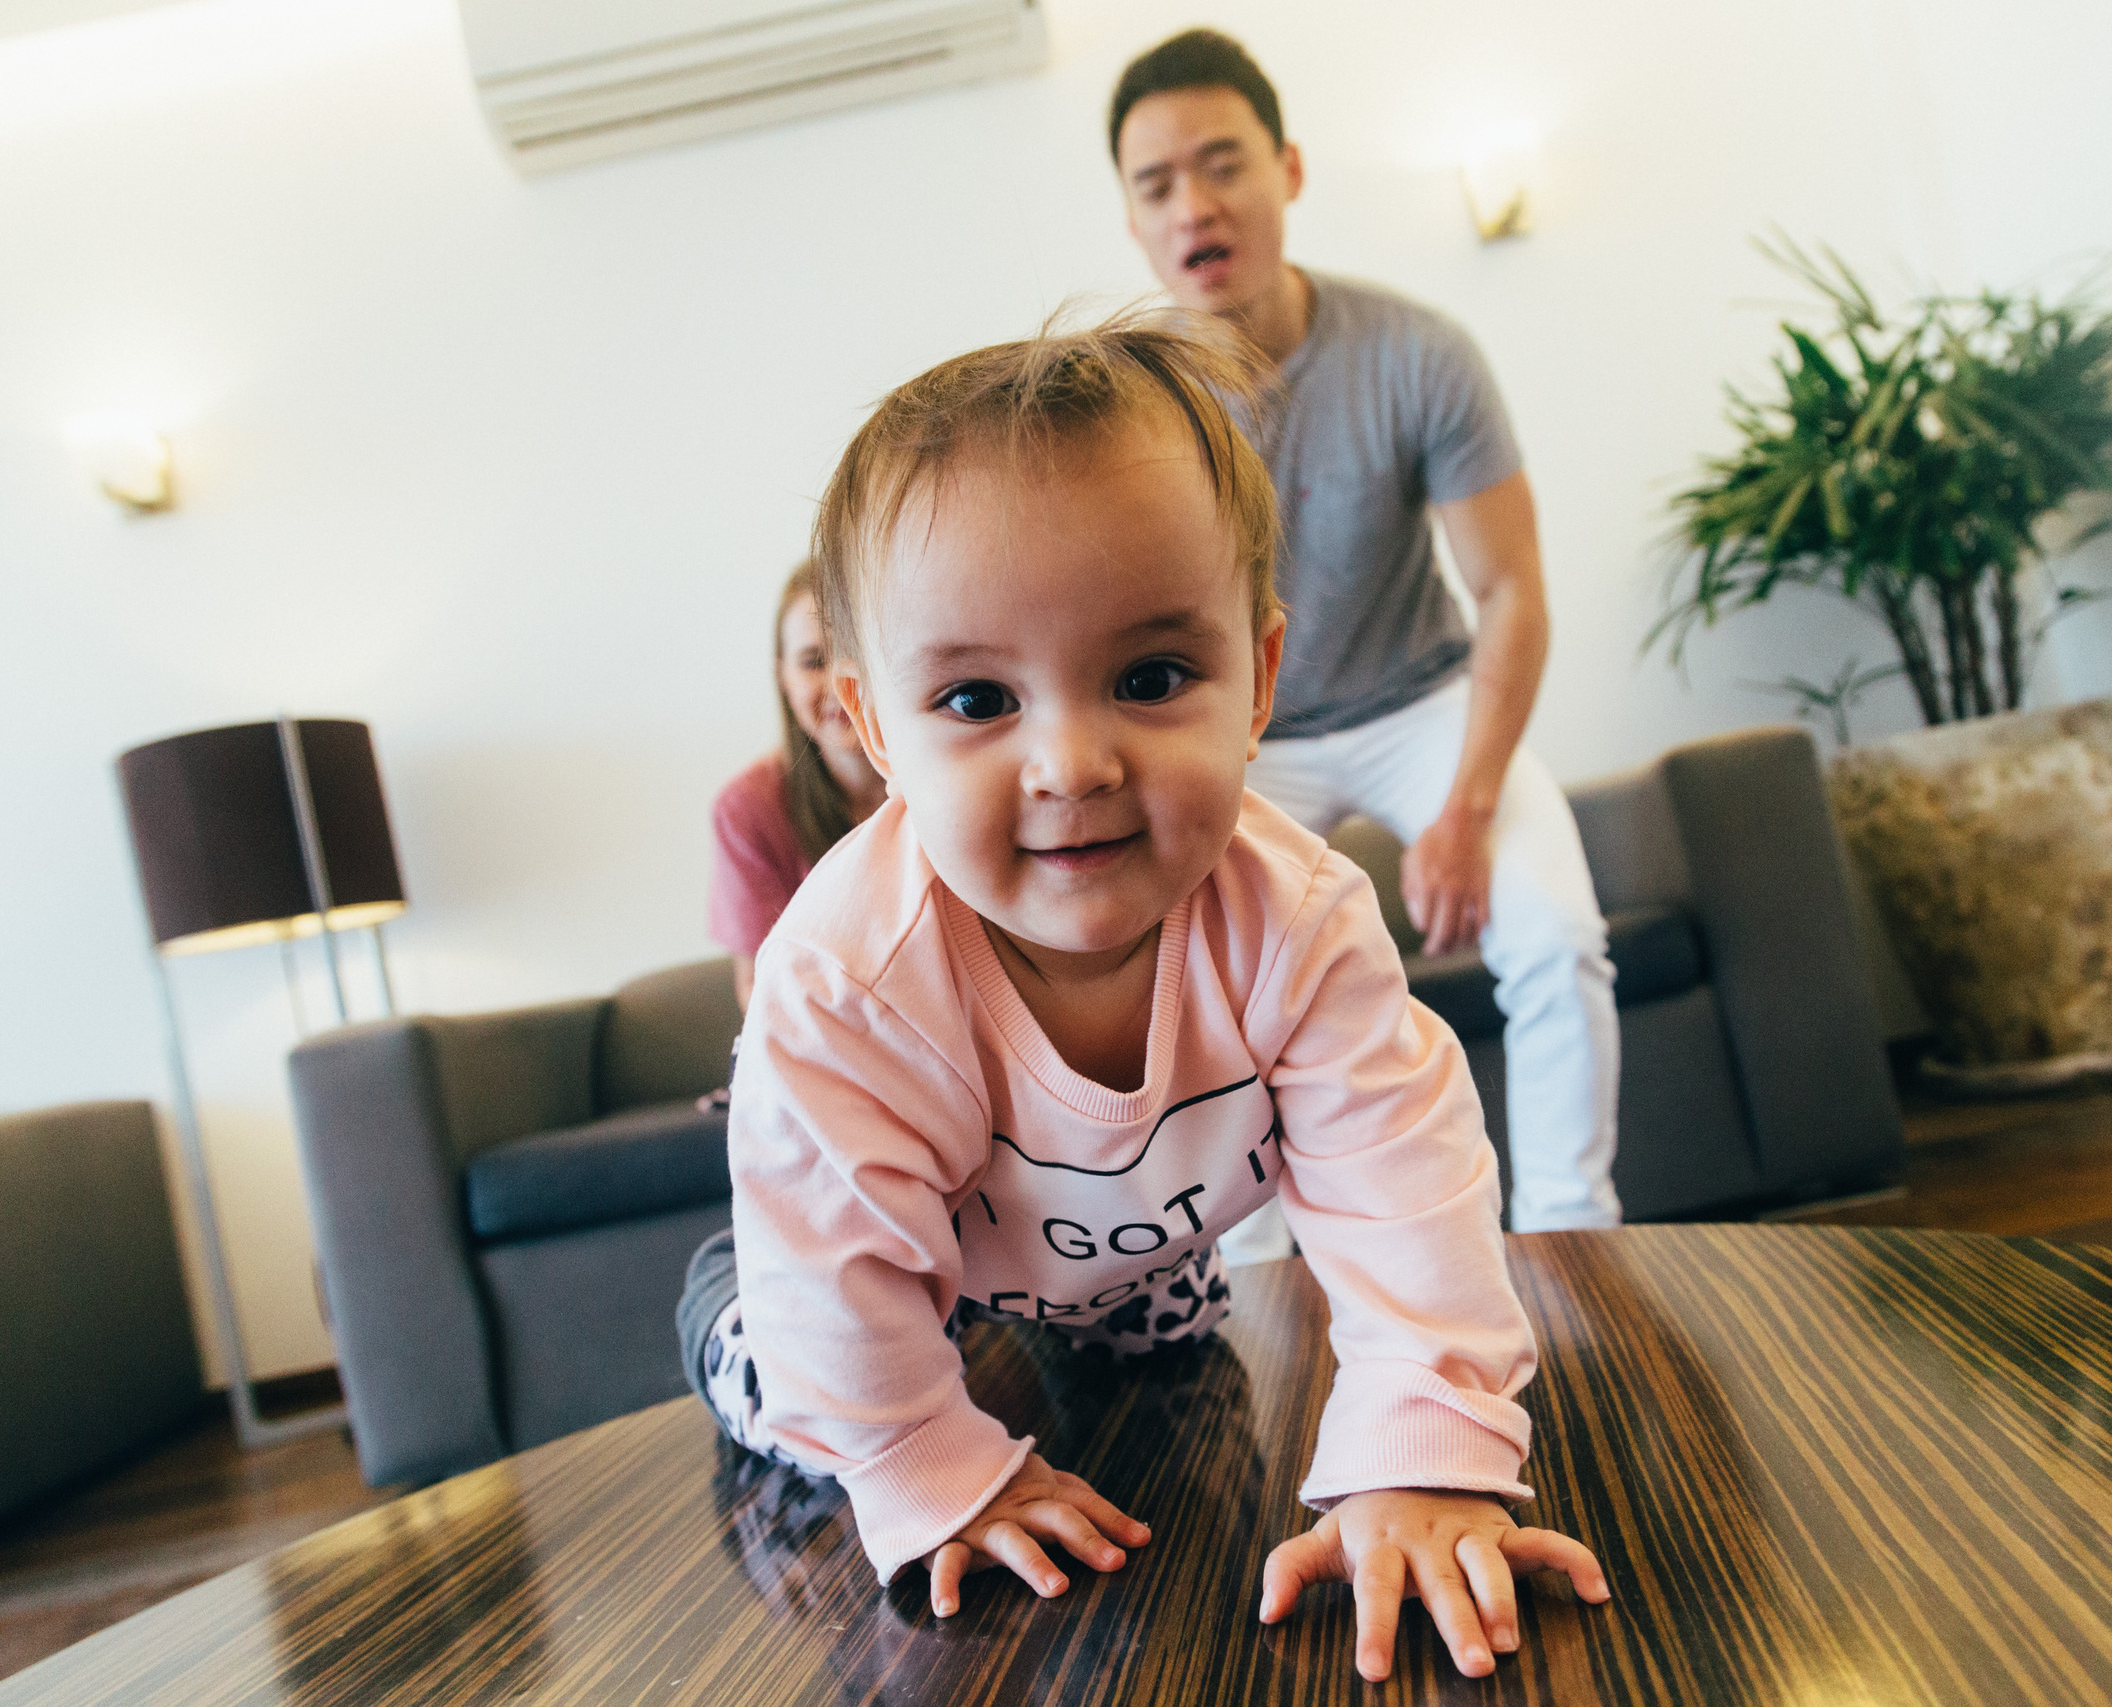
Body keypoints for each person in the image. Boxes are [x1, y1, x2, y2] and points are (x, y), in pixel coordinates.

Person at [676, 316, 1608, 1683]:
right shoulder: (841, 983)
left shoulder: (1299, 917)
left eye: (1152, 677)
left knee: (1173, 1349)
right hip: (875, 1252)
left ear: (1258, 682)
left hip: (1125, 1242)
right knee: (801, 1374)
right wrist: (937, 1465)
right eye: (980, 696)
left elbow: (1402, 1183)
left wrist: (1422, 1448)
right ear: (876, 733)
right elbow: (837, 1284)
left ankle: (1083, 1311)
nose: (1072, 760)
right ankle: (720, 1308)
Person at [1108, 30, 1621, 1232]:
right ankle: (1256, 1295)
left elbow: (1511, 594)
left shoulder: (1418, 354)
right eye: (1158, 183)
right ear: (1133, 221)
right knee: (1207, 1000)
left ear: (1286, 171)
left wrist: (1471, 809)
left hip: (1420, 702)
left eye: (1222, 163)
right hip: (1243, 738)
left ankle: (1572, 1237)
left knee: (1557, 934)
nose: (1196, 203)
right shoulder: (1133, 414)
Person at [710, 560, 888, 1008]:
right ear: (782, 677)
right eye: (814, 662)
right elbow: (757, 989)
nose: (840, 683)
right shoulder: (747, 808)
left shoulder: (945, 782)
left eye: (858, 656)